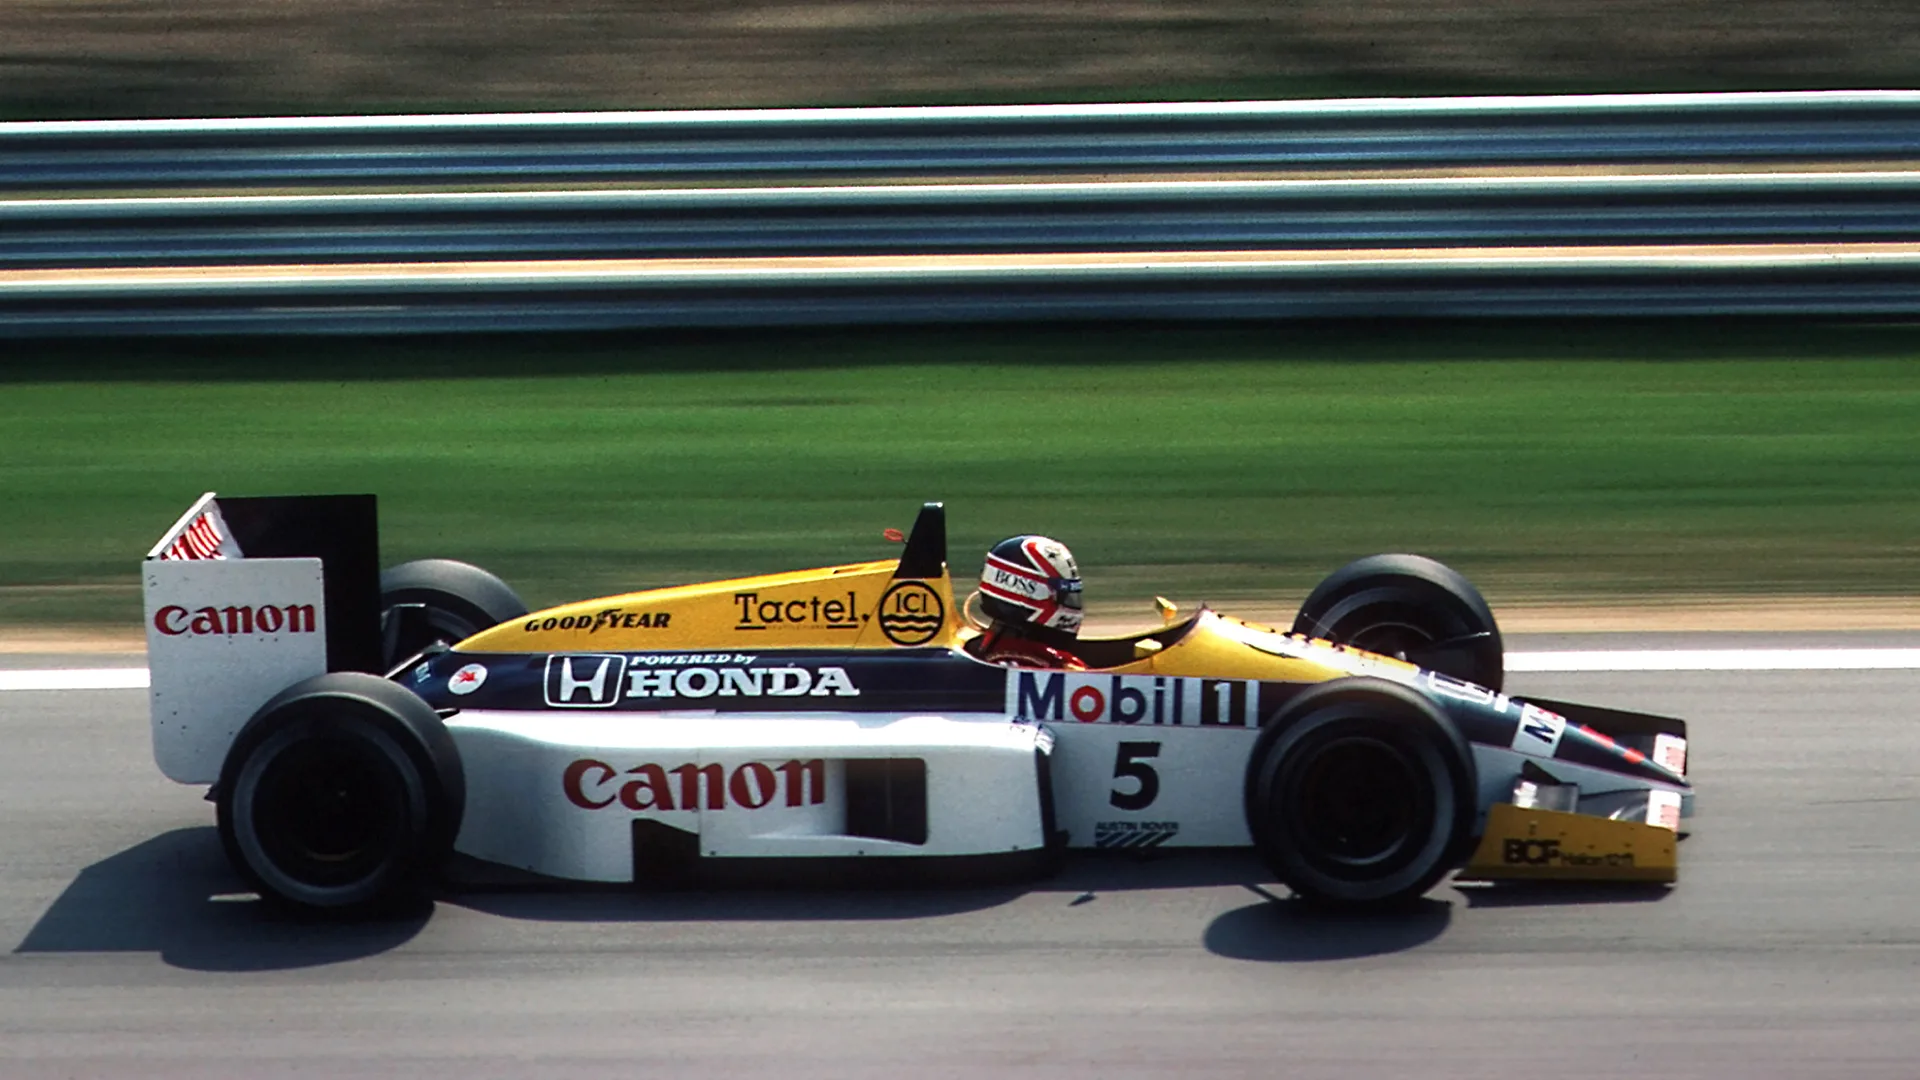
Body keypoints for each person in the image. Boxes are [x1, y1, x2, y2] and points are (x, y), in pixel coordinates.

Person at [968, 534, 1087, 670]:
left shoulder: (991, 649)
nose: (1073, 605)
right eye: (1067, 597)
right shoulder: (1042, 666)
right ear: (1030, 594)